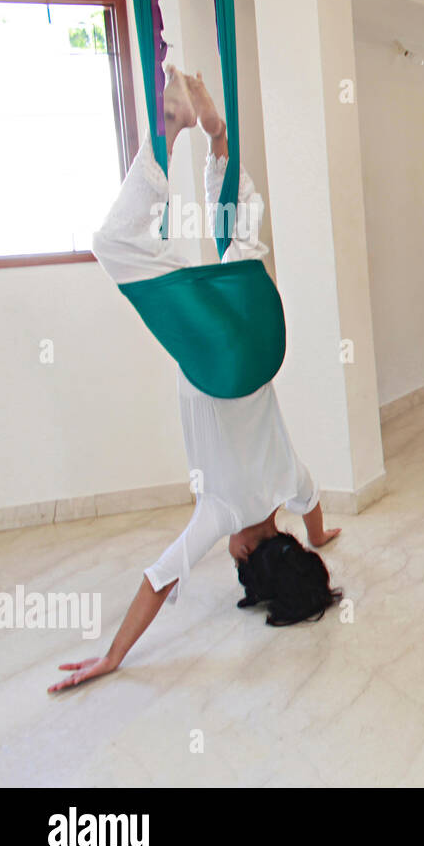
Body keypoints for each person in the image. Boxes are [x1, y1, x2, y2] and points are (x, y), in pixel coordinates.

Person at [49, 68, 342, 693]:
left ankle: (218, 141)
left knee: (241, 241)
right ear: (242, 556)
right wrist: (112, 657)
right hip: (219, 362)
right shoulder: (222, 513)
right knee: (117, 246)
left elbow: (313, 506)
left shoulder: (286, 481)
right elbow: (160, 579)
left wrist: (323, 538)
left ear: (286, 540)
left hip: (266, 345)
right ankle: (172, 133)